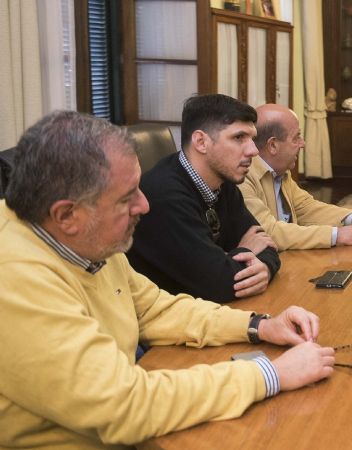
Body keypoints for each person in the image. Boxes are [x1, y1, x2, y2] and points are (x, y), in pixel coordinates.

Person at [0, 111, 335, 449]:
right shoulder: (15, 276)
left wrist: (260, 326)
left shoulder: (89, 238)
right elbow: (124, 406)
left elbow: (155, 309)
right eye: (126, 197)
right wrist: (271, 375)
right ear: (67, 215)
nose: (144, 205)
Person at [127, 94, 280, 302]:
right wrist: (245, 250)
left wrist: (265, 268)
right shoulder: (165, 196)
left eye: (252, 138)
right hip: (169, 324)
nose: (253, 150)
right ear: (201, 142)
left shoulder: (223, 181)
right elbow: (220, 284)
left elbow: (266, 243)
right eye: (239, 138)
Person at [239, 104, 352, 251]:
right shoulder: (243, 176)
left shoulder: (280, 171)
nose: (303, 143)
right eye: (296, 137)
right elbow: (268, 232)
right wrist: (338, 235)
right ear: (273, 145)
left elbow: (307, 208)